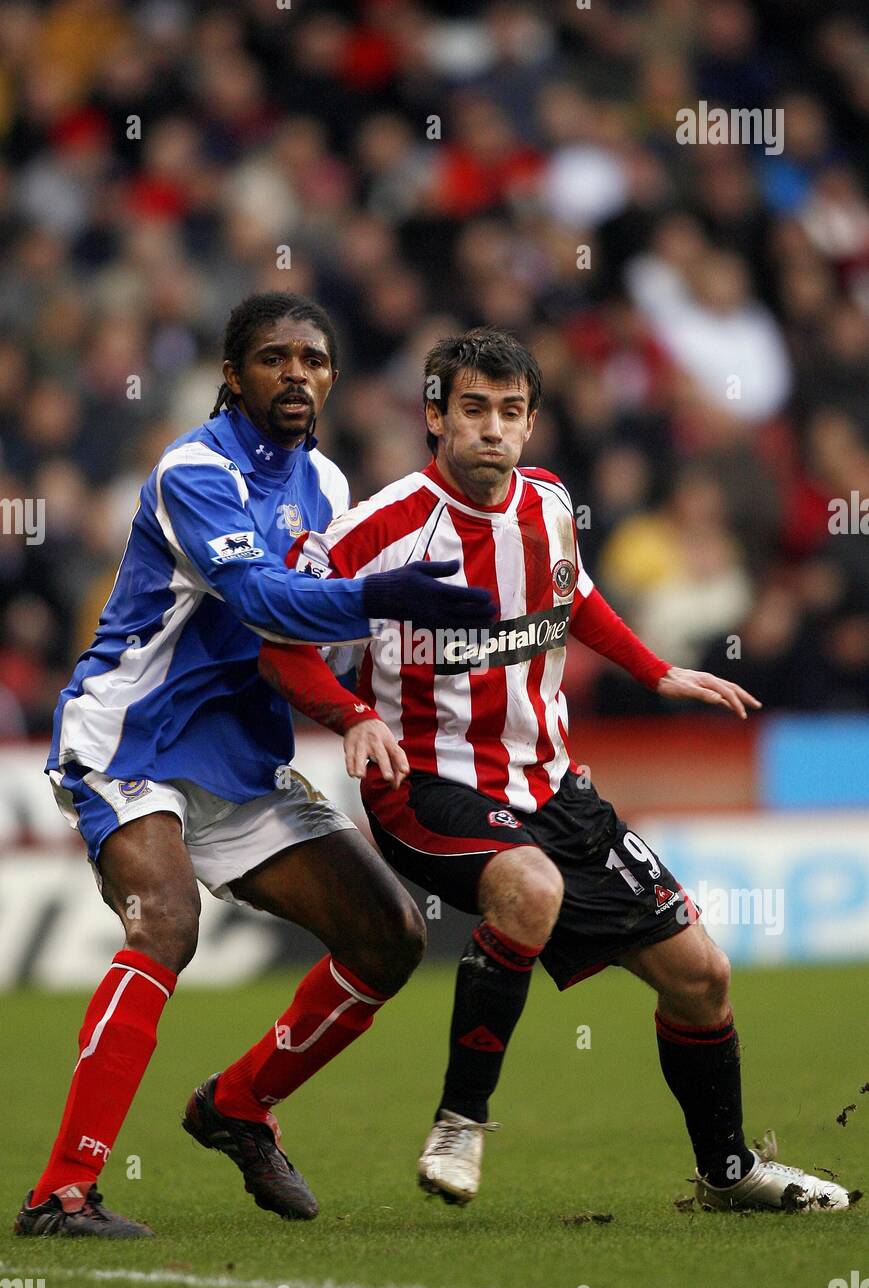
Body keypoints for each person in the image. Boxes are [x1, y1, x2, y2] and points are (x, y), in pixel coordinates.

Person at [259, 327, 851, 1214]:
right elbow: (280, 637)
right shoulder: (377, 527)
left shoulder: (546, 505)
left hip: (552, 788)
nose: (492, 429)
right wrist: (349, 718)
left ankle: (728, 1174)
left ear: (530, 423)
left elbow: (570, 596)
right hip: (423, 786)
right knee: (528, 890)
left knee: (703, 979)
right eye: (472, 410)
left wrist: (654, 669)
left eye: (510, 412)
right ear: (435, 417)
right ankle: (461, 1119)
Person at [14, 293, 495, 1239]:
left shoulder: (325, 485)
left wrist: (361, 707)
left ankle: (236, 1105)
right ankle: (61, 1195)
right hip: (133, 738)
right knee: (166, 925)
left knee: (388, 936)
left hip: (241, 757)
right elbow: (264, 596)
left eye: (314, 359)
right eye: (274, 358)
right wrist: (381, 596)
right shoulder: (193, 470)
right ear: (233, 376)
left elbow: (312, 648)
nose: (297, 375)